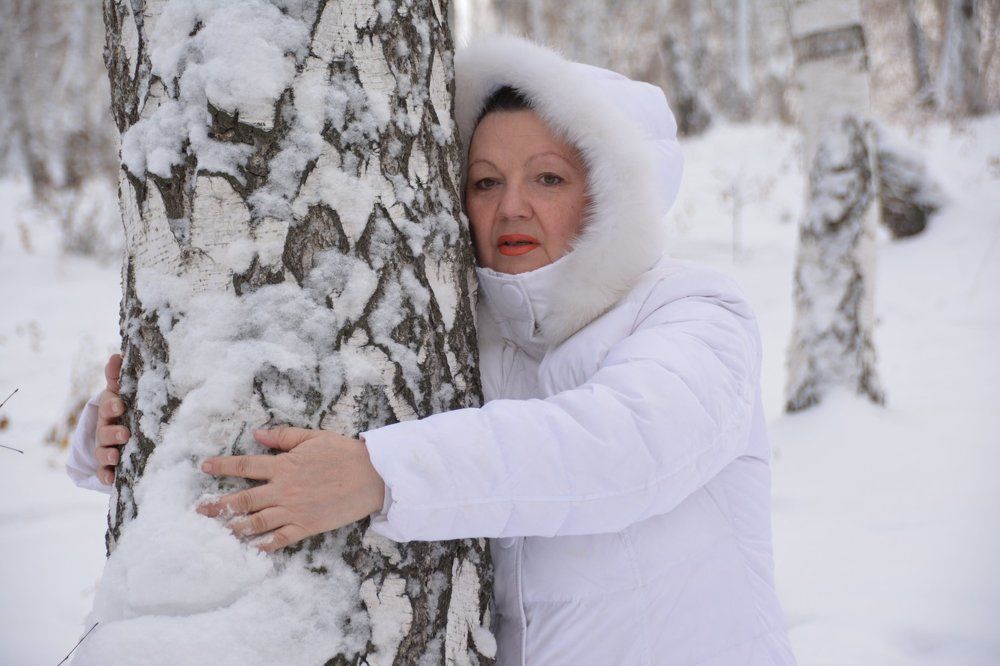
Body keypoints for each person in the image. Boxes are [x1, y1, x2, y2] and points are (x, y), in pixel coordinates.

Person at [69, 35, 795, 665]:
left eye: (548, 177)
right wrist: (122, 434)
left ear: (613, 190)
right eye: (485, 182)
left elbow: (623, 446)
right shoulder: (456, 335)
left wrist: (381, 472)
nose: (511, 207)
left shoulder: (695, 313)